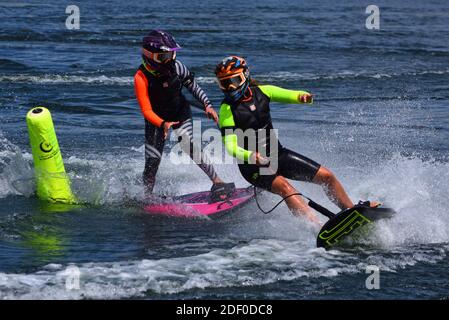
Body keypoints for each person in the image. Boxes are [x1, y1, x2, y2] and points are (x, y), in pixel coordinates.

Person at [215, 56, 379, 224]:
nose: (230, 87)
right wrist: (251, 156)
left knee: (326, 176)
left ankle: (350, 211)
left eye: (234, 80)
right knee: (286, 188)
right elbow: (230, 146)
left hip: (277, 155)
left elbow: (288, 94)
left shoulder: (263, 91)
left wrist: (302, 97)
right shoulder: (226, 110)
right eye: (224, 83)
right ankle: (316, 227)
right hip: (253, 166)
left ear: (245, 76)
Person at [134, 30, 234, 199]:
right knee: (152, 163)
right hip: (156, 121)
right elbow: (146, 111)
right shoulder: (141, 77)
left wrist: (207, 105)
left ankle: (217, 181)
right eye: (164, 57)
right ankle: (147, 197)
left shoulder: (177, 67)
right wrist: (162, 123)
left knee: (188, 143)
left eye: (172, 55)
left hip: (180, 112)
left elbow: (193, 87)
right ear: (150, 56)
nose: (170, 60)